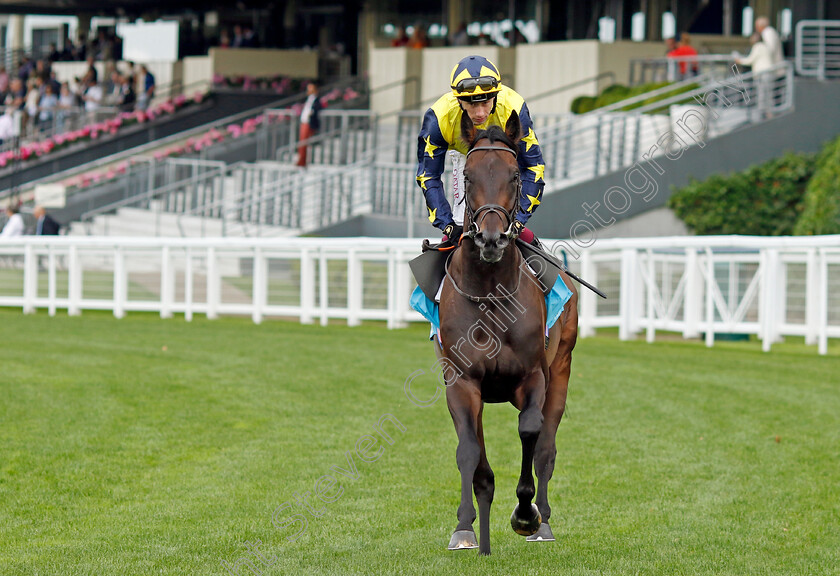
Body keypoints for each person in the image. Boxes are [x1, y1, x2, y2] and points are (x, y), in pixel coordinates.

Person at [416, 55, 545, 246]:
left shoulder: (514, 108)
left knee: (507, 222)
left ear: (495, 96)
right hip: (465, 158)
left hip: (503, 162)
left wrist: (519, 220)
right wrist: (447, 225)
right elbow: (429, 175)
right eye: (471, 104)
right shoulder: (438, 118)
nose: (480, 113)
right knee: (459, 226)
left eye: (485, 102)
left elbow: (534, 167)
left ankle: (548, 269)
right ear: (458, 100)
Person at [735, 33, 774, 119]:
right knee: (768, 93)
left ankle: (762, 113)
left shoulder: (757, 47)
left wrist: (739, 60)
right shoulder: (766, 46)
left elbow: (750, 60)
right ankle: (769, 112)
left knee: (761, 93)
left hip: (761, 73)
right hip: (769, 73)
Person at [296, 82, 322, 168]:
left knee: (305, 143)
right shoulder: (308, 99)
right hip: (304, 122)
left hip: (309, 123)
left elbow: (316, 109)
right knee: (301, 143)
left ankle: (303, 162)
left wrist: (311, 113)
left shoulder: (316, 100)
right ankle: (301, 160)